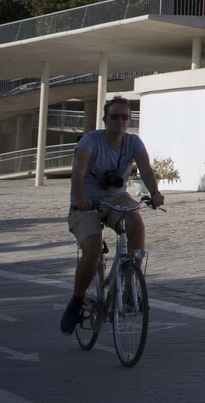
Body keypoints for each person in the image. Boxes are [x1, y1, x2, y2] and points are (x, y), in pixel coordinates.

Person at [59, 96, 164, 334]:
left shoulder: (133, 142)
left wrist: (155, 192)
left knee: (136, 224)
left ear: (129, 120)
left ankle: (129, 286)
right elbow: (78, 172)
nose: (119, 121)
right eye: (114, 116)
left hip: (118, 198)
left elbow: (146, 169)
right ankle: (76, 301)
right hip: (87, 201)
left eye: (124, 117)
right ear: (105, 119)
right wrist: (78, 200)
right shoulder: (90, 141)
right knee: (93, 248)